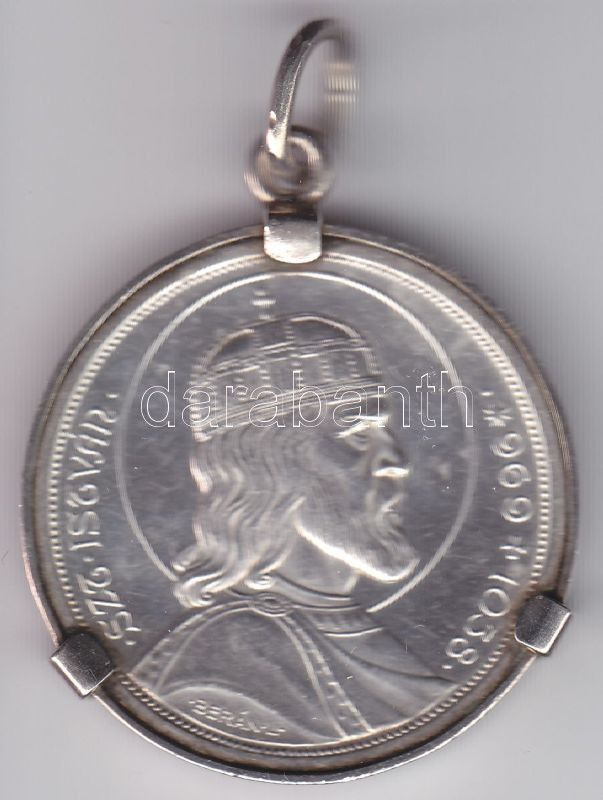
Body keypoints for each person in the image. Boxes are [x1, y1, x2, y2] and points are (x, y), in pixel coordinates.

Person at [133, 310, 451, 743]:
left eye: (383, 430)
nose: (397, 461)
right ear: (270, 468)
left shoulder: (350, 629)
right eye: (358, 433)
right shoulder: (224, 665)